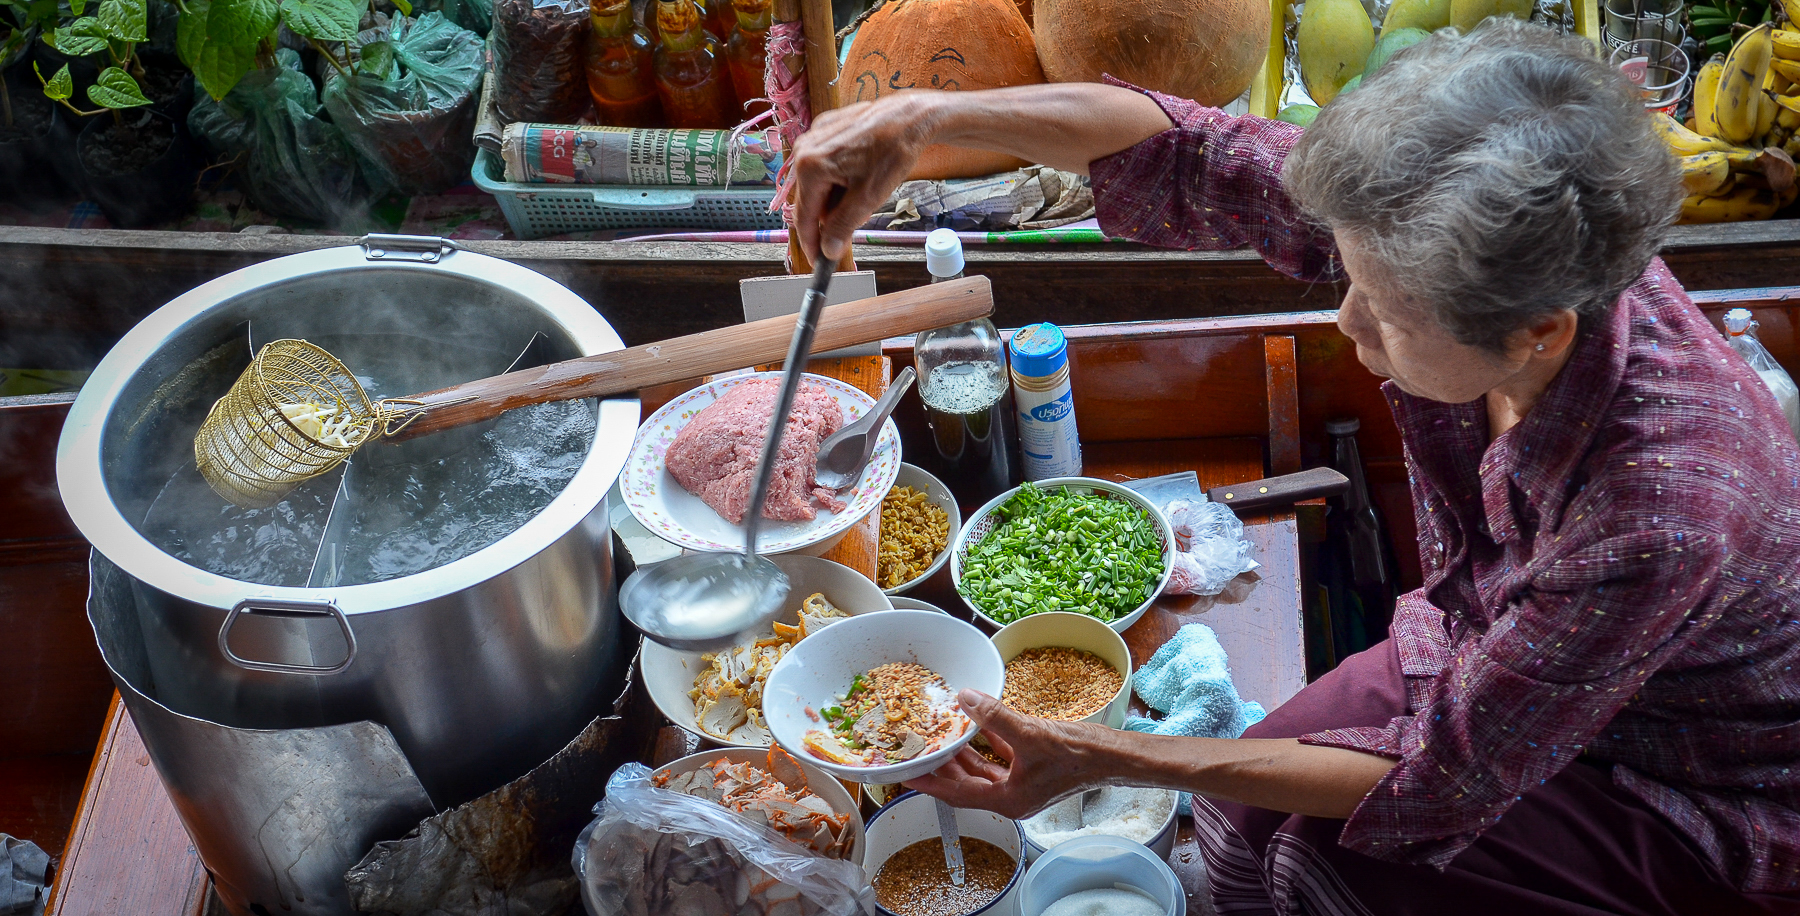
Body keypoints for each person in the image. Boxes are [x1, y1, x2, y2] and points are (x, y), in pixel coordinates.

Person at [788, 20, 1800, 916]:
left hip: (1683, 771)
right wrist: (918, 121)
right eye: (1350, 277)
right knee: (1235, 814)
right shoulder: (1454, 231)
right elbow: (1185, 140)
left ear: (1538, 333)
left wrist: (1092, 753)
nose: (1346, 319)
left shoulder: (1659, 510)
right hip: (1489, 637)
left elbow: (1435, 777)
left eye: (1388, 317)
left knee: (1330, 863)